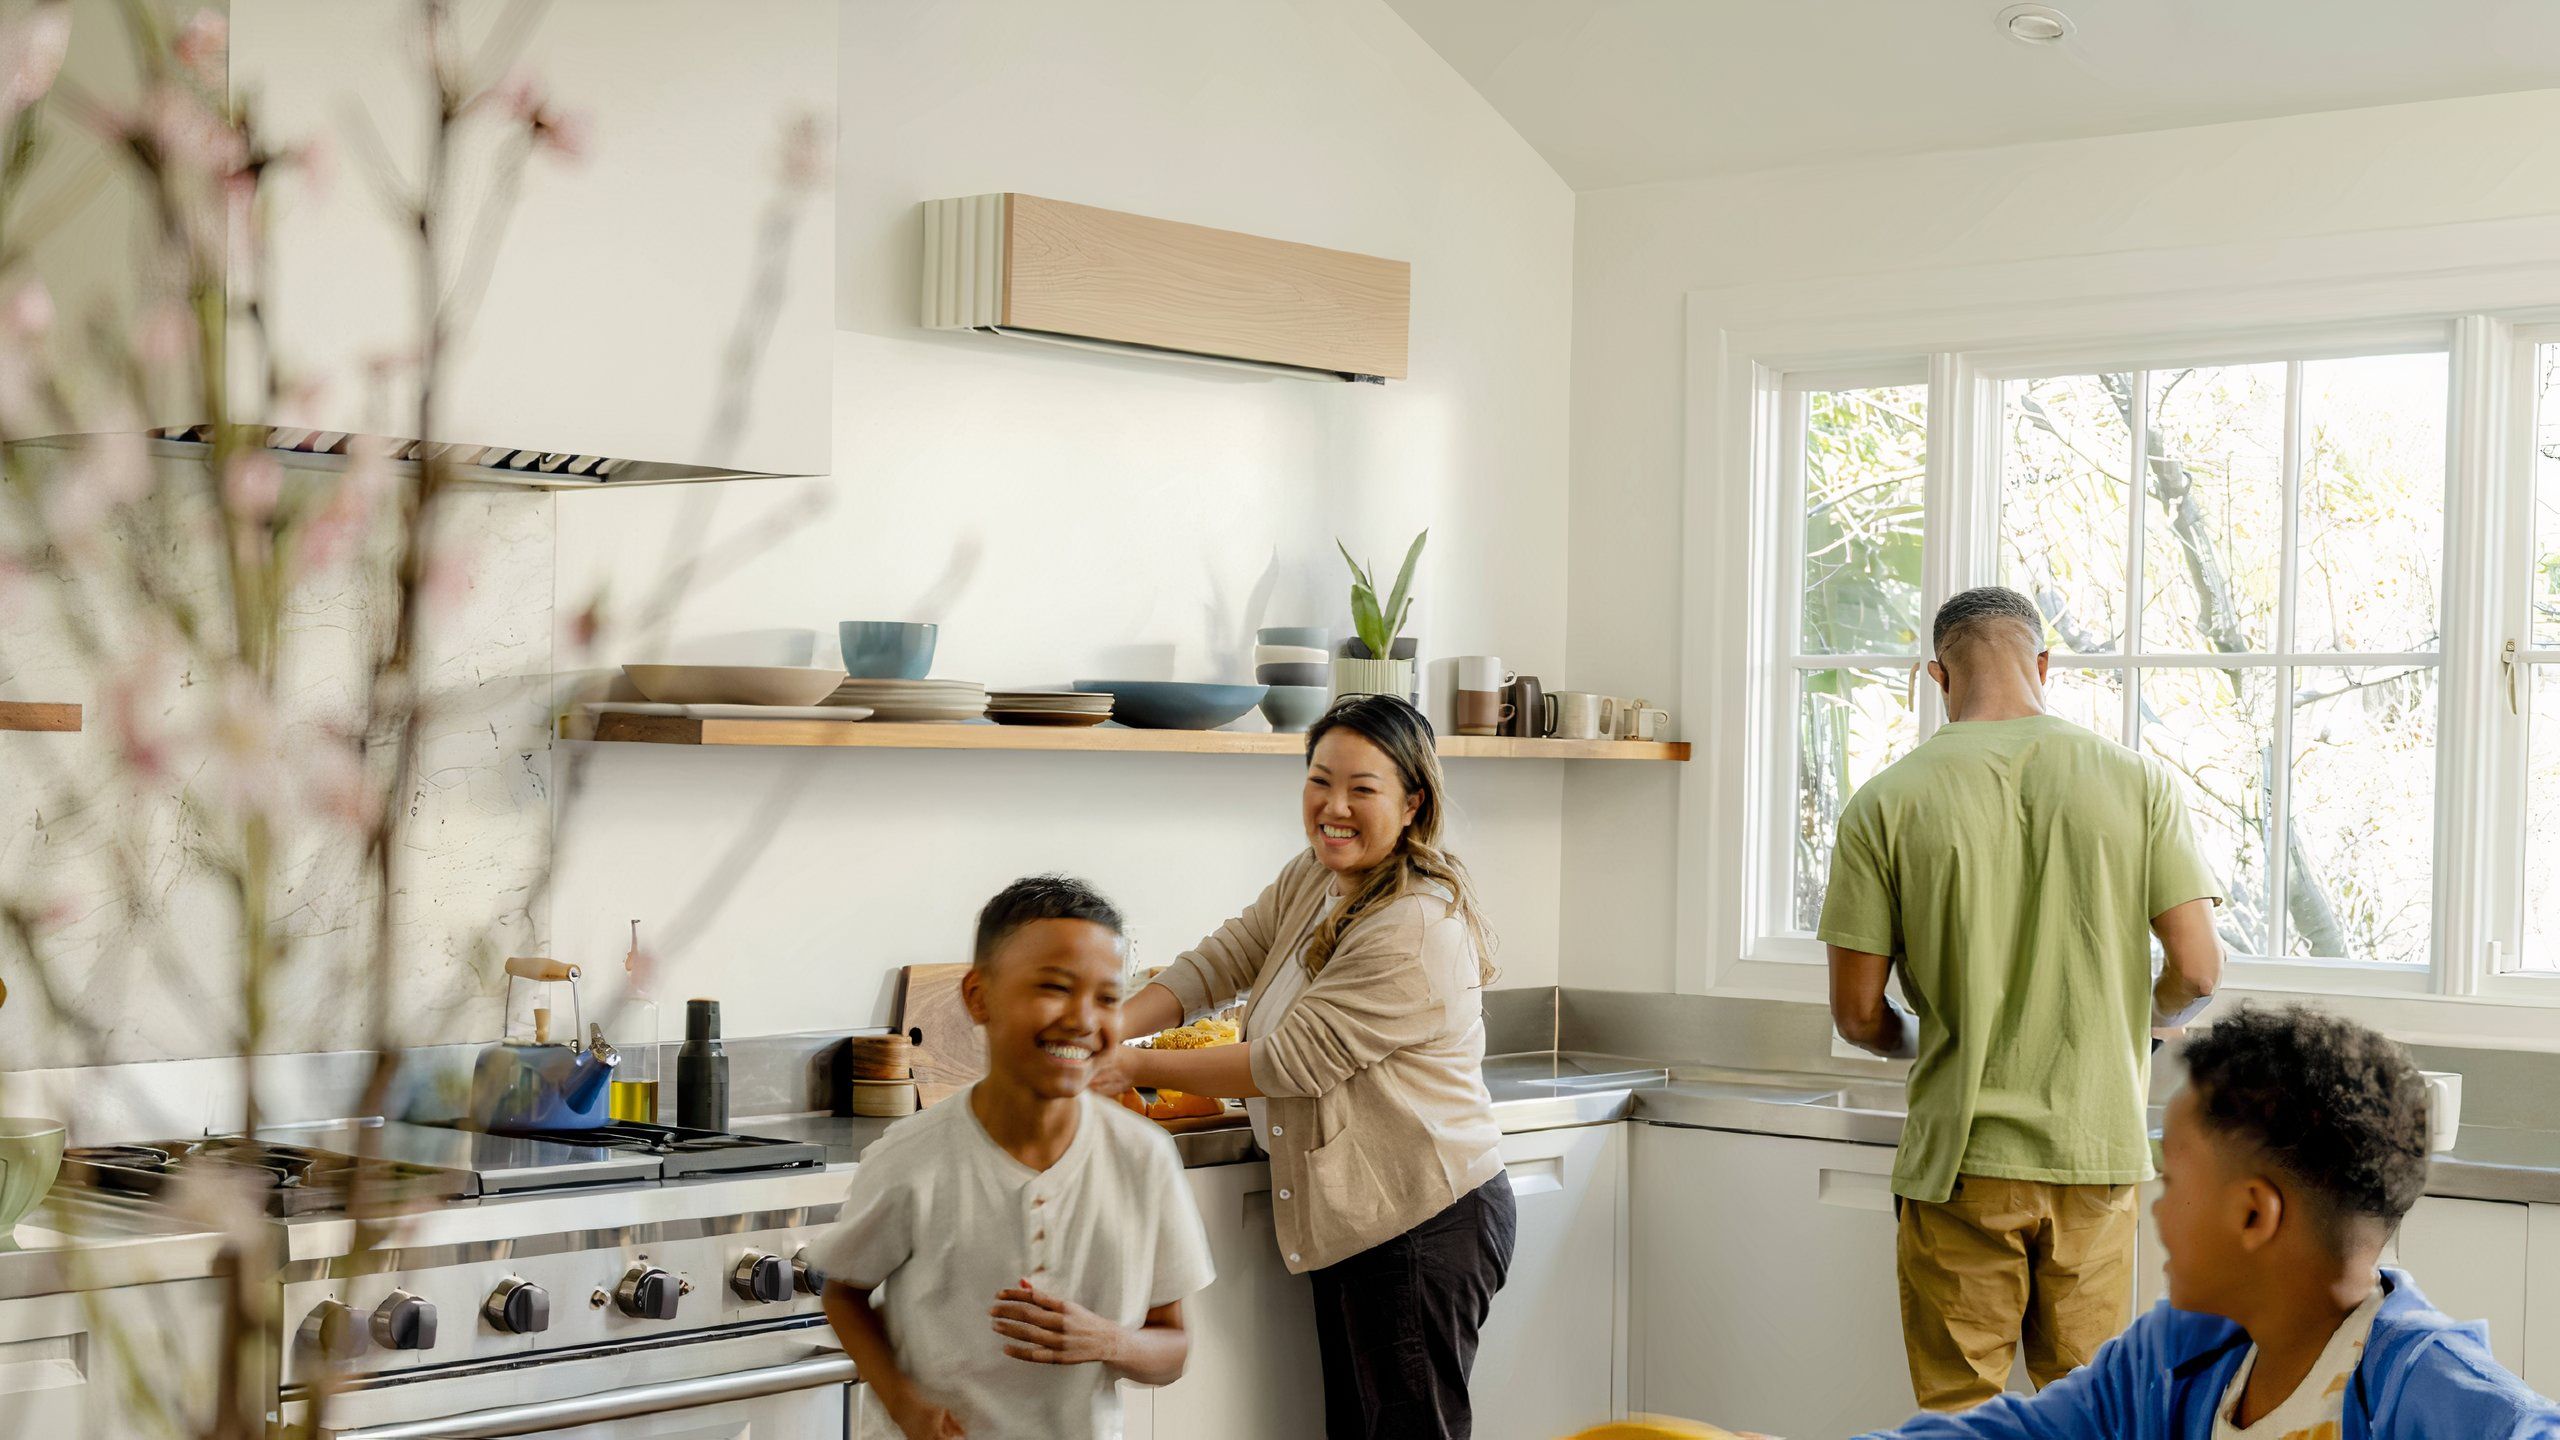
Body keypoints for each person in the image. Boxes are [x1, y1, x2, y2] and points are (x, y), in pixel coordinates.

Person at [1822, 585, 2228, 1410]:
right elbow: (2198, 971)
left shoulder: (1884, 804)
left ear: (1936, 675)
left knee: (1958, 1416)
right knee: (2093, 1416)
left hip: (1960, 1163)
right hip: (2095, 1154)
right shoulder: (2139, 783)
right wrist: (2137, 1021)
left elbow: (1859, 1015)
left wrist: (1929, 1037)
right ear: (2044, 663)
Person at [1092, 692, 1514, 1440]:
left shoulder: (1413, 924)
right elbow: (1226, 957)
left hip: (1422, 1221)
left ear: (1413, 802)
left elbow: (1289, 1062)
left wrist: (1128, 1064)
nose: (1333, 806)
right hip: (1368, 1217)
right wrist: (1108, 1027)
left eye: (1362, 788)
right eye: (1320, 780)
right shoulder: (1318, 876)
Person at [1847, 1004, 2560, 1438]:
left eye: (2174, 1180)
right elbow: (2019, 1435)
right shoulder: (2169, 1360)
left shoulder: (2440, 1397)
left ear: (2253, 1213)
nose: (2156, 1206)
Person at [810, 875, 1214, 1440]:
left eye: (1107, 997)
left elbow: (1173, 1349)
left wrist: (1106, 1341)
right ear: (979, 997)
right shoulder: (912, 1157)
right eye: (1054, 986)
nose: (1083, 1018)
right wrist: (907, 1407)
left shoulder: (1144, 1158)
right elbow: (844, 1292)